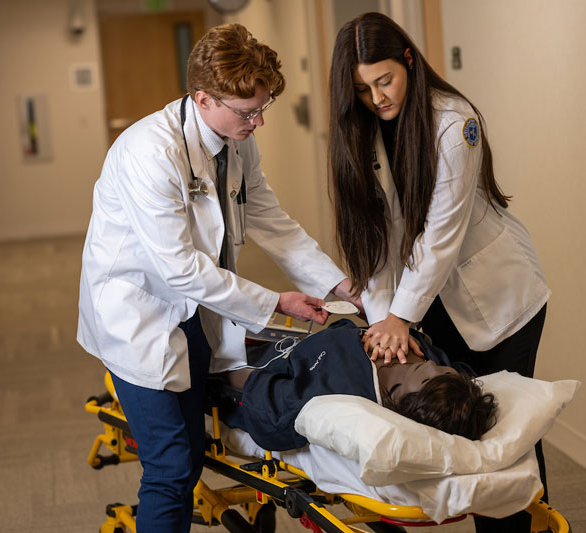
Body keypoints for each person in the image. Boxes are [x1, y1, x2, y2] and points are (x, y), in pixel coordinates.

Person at [77, 23, 358, 532]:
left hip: (196, 310)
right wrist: (276, 303)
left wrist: (336, 284)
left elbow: (273, 222)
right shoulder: (150, 152)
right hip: (139, 317)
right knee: (170, 468)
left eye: (263, 108)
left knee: (189, 459)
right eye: (248, 111)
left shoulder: (236, 141)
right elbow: (179, 269)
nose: (259, 121)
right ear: (202, 98)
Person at [328, 12, 551, 533]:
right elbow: (378, 241)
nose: (377, 97)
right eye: (362, 89)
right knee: (453, 432)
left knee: (509, 443)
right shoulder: (364, 133)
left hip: (500, 302)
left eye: (385, 80)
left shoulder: (455, 122)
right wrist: (385, 325)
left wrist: (399, 317)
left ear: (409, 59)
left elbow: (440, 237)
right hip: (430, 306)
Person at [218, 319, 497, 451]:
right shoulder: (429, 362)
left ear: (399, 399)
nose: (432, 364)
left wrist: (225, 373)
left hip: (241, 355)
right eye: (446, 372)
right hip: (272, 327)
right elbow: (461, 373)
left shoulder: (339, 391)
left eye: (426, 375)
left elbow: (268, 412)